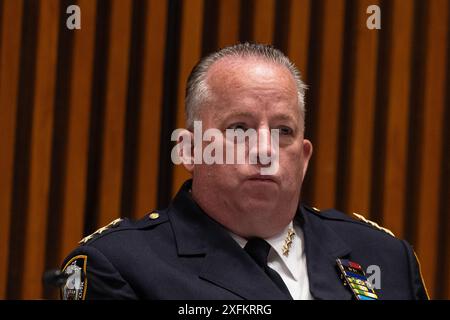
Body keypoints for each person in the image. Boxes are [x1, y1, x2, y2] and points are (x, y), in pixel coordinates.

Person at [60, 43, 428, 300]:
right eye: (239, 129)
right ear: (189, 150)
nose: (265, 150)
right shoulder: (122, 265)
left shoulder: (384, 257)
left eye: (284, 130)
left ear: (304, 157)